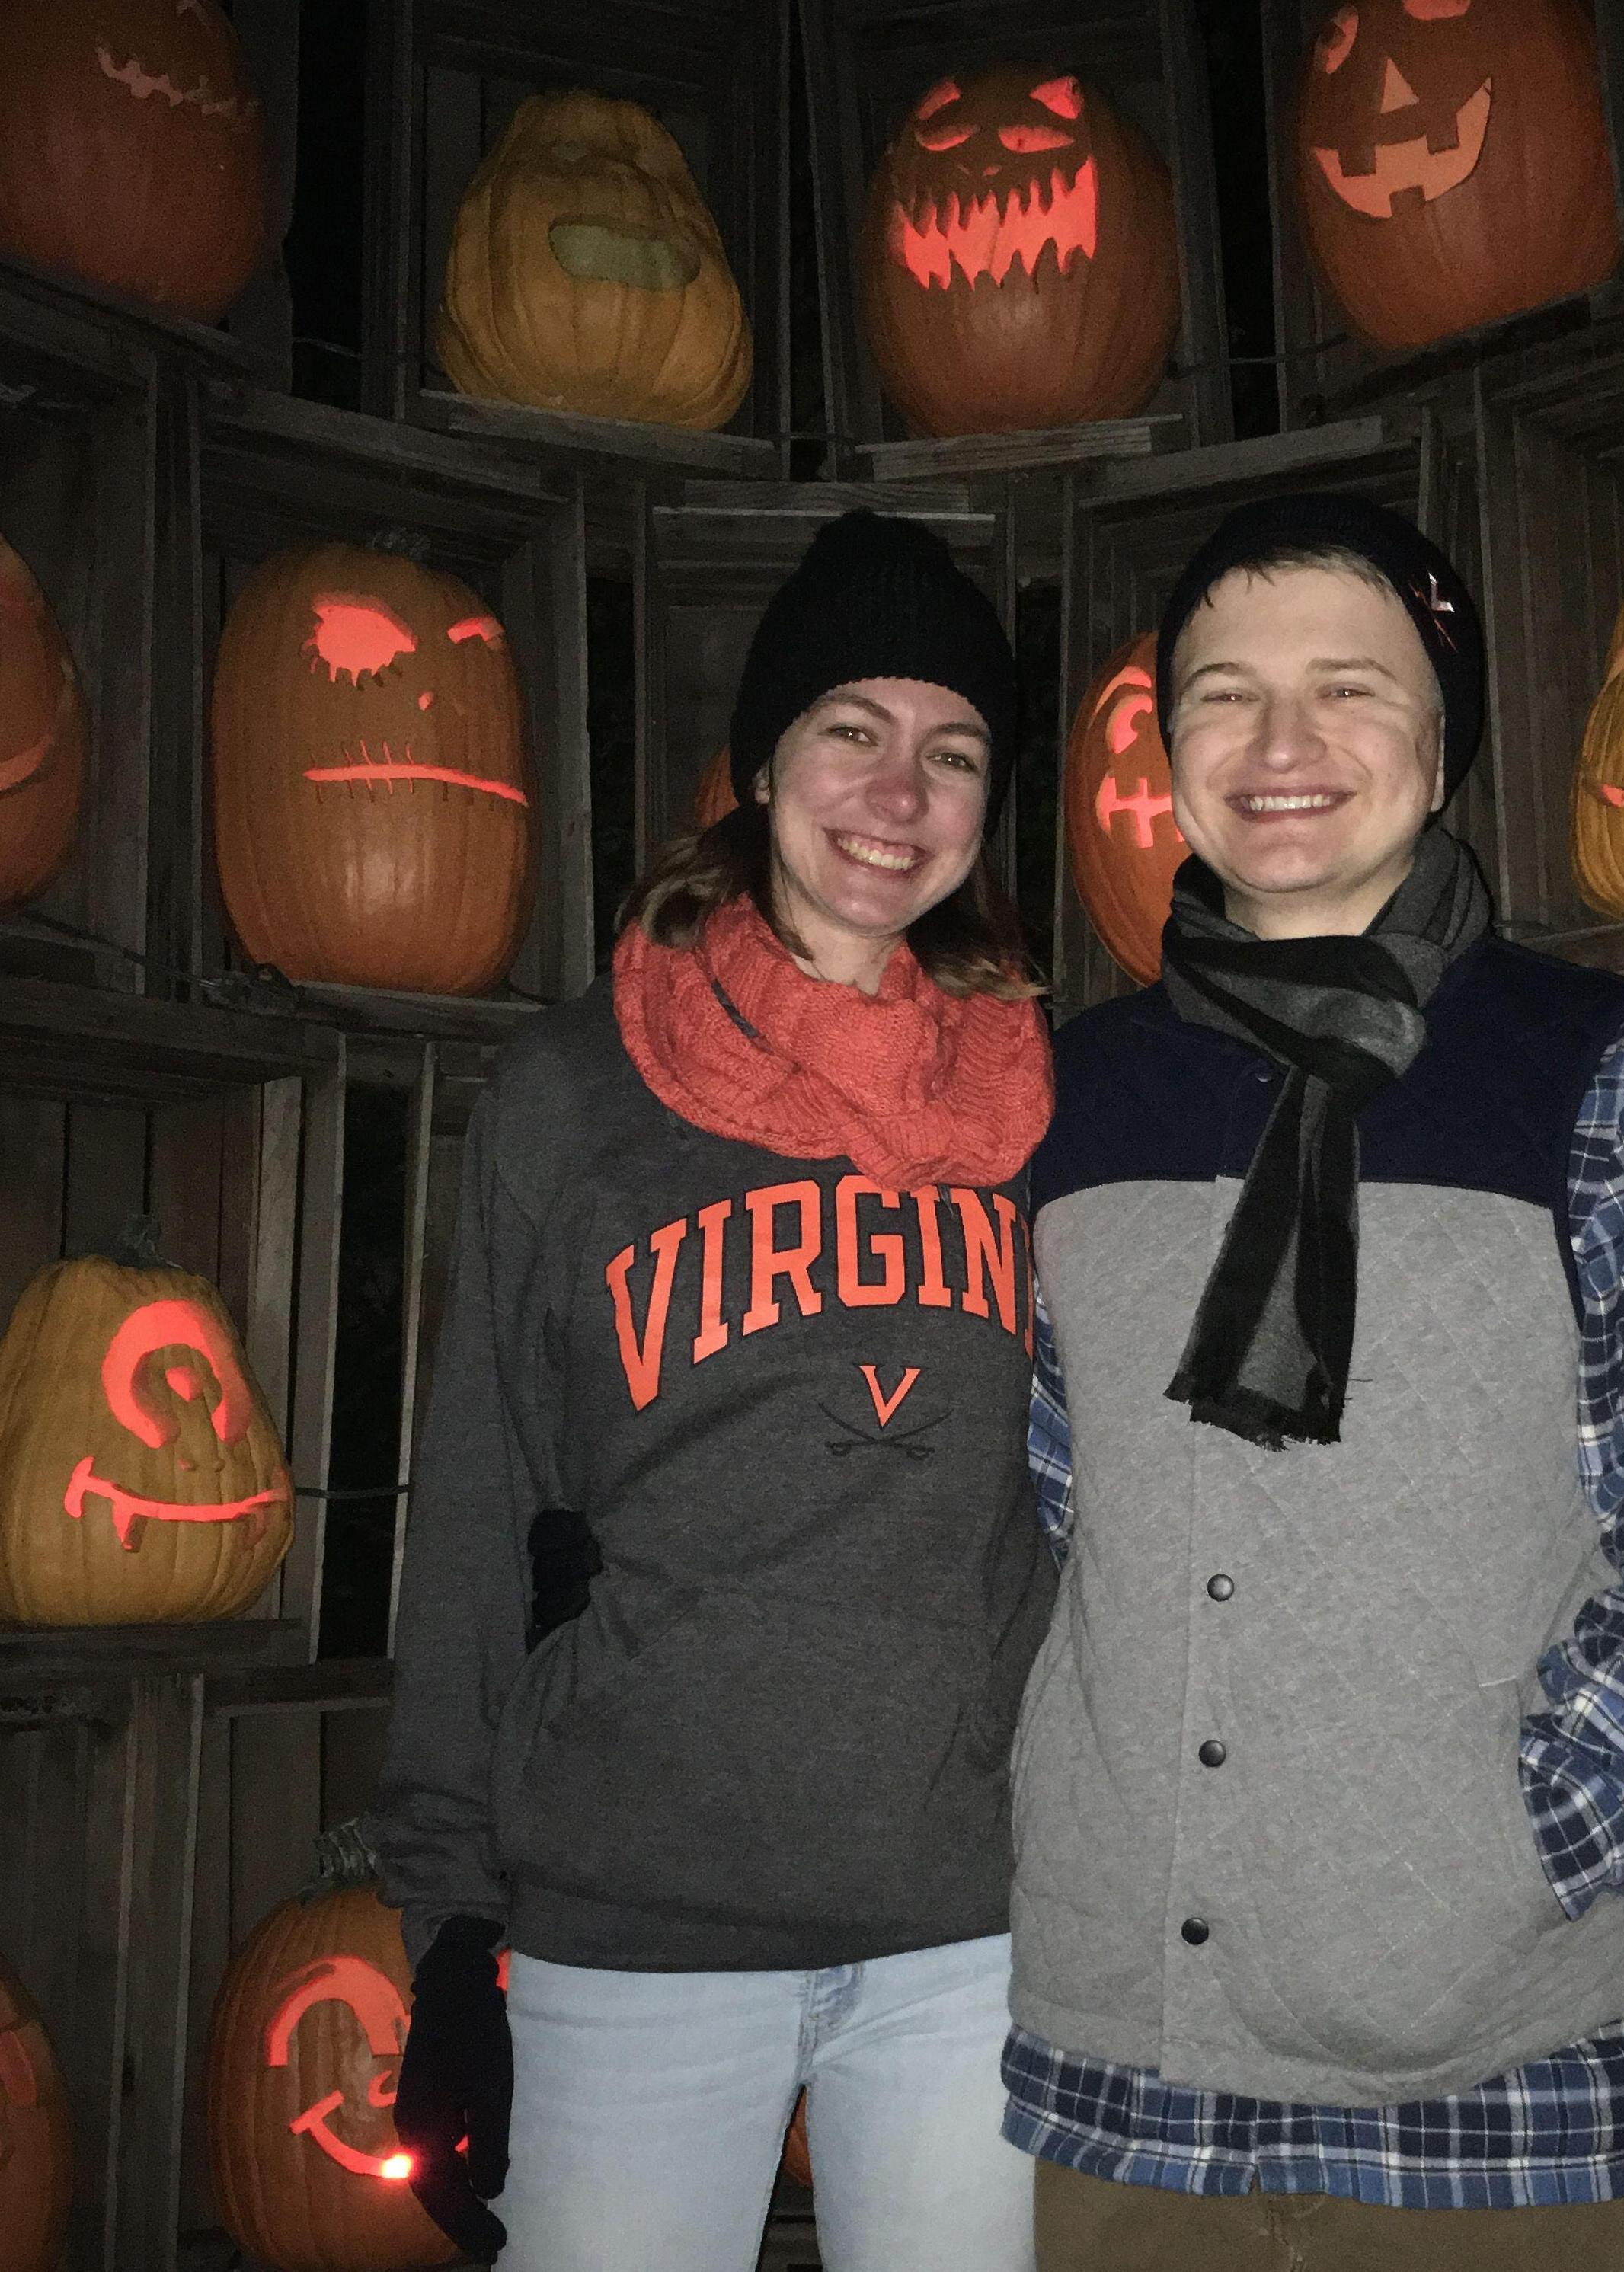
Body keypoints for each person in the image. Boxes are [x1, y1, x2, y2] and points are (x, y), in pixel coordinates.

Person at [1006, 494, 1624, 2270]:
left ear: (1441, 746)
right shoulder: (1059, 1105)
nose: (1283, 744)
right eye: (1224, 693)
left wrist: (1516, 1848)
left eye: (1350, 689)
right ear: (1168, 747)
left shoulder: (1616, 1079)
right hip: (1126, 2078)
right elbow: (1058, 1507)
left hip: (1508, 2090)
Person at [369, 510, 1057, 2272]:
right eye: (852, 728)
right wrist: (448, 1924)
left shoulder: (1043, 1105)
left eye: (954, 749)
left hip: (964, 1927)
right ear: (757, 762)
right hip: (634, 1922)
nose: (899, 789)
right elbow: (475, 1499)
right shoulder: (570, 1095)